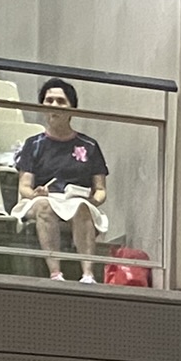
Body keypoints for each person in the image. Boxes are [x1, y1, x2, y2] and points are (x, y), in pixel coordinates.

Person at [13, 78, 110, 282]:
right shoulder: (33, 144)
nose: (54, 105)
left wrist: (92, 201)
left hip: (76, 201)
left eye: (60, 101)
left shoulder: (89, 145)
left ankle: (88, 274)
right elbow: (24, 187)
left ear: (72, 108)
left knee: (81, 207)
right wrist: (36, 193)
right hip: (42, 199)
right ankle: (55, 273)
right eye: (49, 101)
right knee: (44, 205)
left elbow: (100, 189)